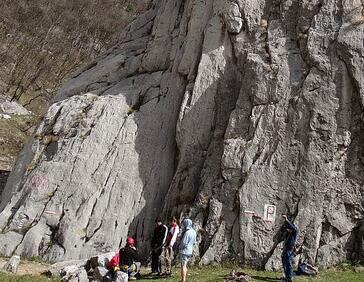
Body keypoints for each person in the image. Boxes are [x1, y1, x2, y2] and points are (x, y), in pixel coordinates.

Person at [281, 215, 298, 282]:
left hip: (289, 248)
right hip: (286, 248)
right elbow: (283, 230)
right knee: (284, 262)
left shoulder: (294, 230)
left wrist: (286, 220)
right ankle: (287, 275)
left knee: (288, 263)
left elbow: (293, 228)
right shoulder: (289, 232)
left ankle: (289, 278)